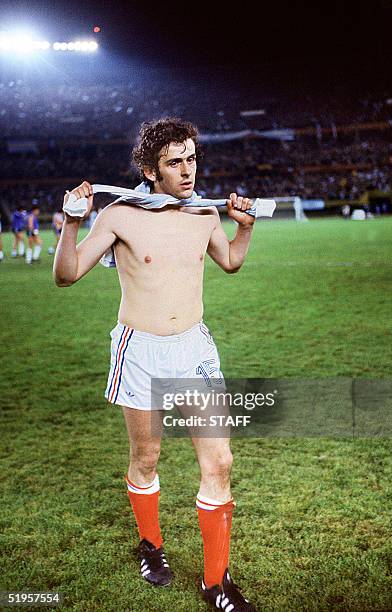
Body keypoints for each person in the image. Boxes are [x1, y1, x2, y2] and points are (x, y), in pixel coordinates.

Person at [53, 118, 256, 611]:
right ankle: (151, 546)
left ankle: (216, 583)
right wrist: (73, 221)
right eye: (174, 162)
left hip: (194, 350)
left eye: (191, 159)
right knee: (147, 459)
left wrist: (243, 228)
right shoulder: (120, 215)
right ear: (149, 169)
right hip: (139, 351)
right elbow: (66, 275)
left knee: (220, 462)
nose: (188, 171)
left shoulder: (204, 212)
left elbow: (229, 261)